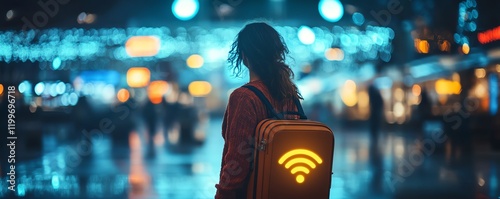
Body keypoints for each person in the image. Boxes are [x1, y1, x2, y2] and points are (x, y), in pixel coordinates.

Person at [215, 22, 303, 199]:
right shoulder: (289, 94)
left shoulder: (244, 97)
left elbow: (237, 161)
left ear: (244, 56)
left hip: (255, 192)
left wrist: (222, 195)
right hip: (287, 189)